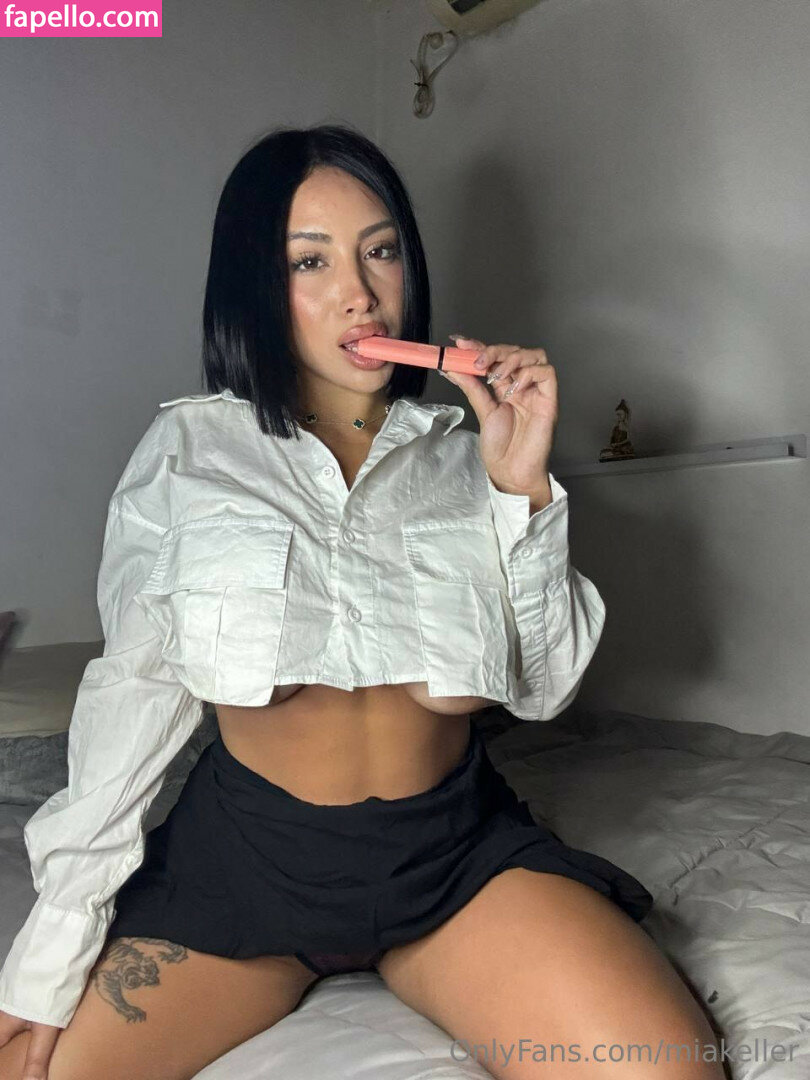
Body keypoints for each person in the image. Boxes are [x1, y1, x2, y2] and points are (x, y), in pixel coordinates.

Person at [0, 124, 727, 1080]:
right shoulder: (188, 456)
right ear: (256, 287)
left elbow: (546, 688)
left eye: (380, 251)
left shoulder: (469, 455)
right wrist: (47, 960)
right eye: (310, 261)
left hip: (453, 858)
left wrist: (520, 488)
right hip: (242, 867)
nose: (361, 292)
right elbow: (130, 700)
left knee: (668, 1070)